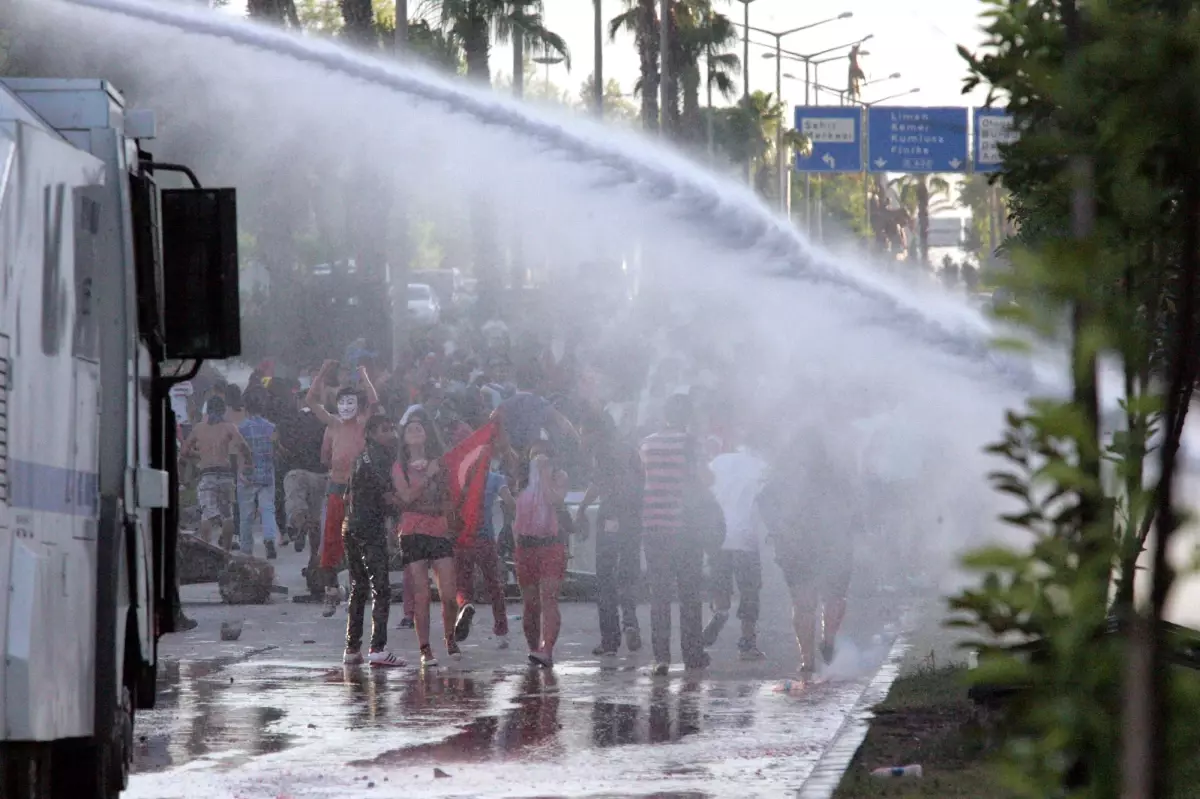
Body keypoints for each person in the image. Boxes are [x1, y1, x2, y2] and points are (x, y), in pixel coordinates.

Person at [758, 436, 857, 683]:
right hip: (828, 544)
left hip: (799, 545)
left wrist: (779, 530)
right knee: (832, 597)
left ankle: (808, 660)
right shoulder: (835, 476)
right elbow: (854, 506)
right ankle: (828, 641)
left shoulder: (782, 478)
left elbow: (764, 502)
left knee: (804, 603)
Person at [639, 393, 712, 676]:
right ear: (687, 417)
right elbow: (701, 481)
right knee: (689, 593)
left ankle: (661, 657)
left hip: (654, 526)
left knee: (660, 594)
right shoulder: (691, 444)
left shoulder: (646, 443)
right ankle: (692, 654)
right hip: (685, 528)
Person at [393, 417, 471, 667]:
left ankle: (450, 638)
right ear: (404, 439)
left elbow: (451, 493)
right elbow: (405, 497)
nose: (416, 431)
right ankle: (425, 647)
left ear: (427, 434)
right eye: (410, 429)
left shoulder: (440, 464)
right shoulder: (400, 466)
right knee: (421, 595)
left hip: (438, 528)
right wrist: (427, 478)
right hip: (412, 531)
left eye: (420, 427)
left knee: (448, 593)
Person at [306, 359, 379, 617]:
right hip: (336, 488)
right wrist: (323, 371)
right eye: (342, 402)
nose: (346, 406)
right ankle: (330, 591)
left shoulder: (362, 424)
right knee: (330, 541)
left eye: (351, 402)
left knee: (362, 540)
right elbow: (311, 401)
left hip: (360, 491)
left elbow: (374, 400)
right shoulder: (334, 425)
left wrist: (363, 373)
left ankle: (363, 588)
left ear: (357, 405)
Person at [576, 411, 644, 657]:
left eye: (583, 432)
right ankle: (630, 622)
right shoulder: (629, 448)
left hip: (611, 518)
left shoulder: (602, 451)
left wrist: (582, 508)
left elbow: (598, 484)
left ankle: (610, 640)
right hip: (633, 519)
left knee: (605, 579)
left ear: (595, 431)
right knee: (627, 575)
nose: (581, 438)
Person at [342, 414, 406, 667]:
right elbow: (387, 495)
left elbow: (348, 494)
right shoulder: (381, 458)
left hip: (351, 526)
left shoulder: (360, 457)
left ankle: (351, 648)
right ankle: (378, 648)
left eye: (391, 427)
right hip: (369, 528)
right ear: (371, 433)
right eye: (385, 429)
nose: (390, 433)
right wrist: (410, 506)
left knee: (358, 587)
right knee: (381, 587)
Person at [703, 439, 768, 660]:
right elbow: (766, 501)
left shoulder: (717, 462)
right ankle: (747, 642)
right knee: (749, 590)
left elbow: (706, 490)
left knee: (719, 581)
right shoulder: (761, 466)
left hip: (718, 533)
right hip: (746, 535)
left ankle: (720, 613)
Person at [514, 446, 570, 668]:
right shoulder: (521, 481)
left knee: (549, 598)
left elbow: (555, 499)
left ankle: (547, 649)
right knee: (530, 603)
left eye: (545, 459)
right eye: (535, 458)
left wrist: (544, 477)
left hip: (551, 545)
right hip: (526, 546)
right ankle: (533, 648)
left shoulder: (559, 477)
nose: (539, 462)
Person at [454, 461, 514, 650]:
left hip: (462, 536)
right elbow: (509, 501)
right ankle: (501, 631)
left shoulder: (461, 475)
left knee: (463, 583)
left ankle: (465, 606)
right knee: (494, 584)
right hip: (486, 537)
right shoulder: (495, 478)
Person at [181, 396, 250, 550]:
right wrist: (248, 462)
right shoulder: (229, 427)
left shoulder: (199, 428)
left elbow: (184, 451)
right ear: (223, 410)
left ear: (207, 410)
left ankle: (207, 550)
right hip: (225, 474)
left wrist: (199, 455)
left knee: (206, 514)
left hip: (207, 474)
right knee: (228, 515)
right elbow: (243, 446)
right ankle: (226, 552)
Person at [236, 387, 280, 559]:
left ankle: (246, 549)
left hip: (247, 474)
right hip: (267, 474)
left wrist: (240, 470)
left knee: (246, 514)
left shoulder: (241, 428)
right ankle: (269, 538)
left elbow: (239, 451)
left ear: (246, 409)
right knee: (267, 508)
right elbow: (275, 449)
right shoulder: (271, 427)